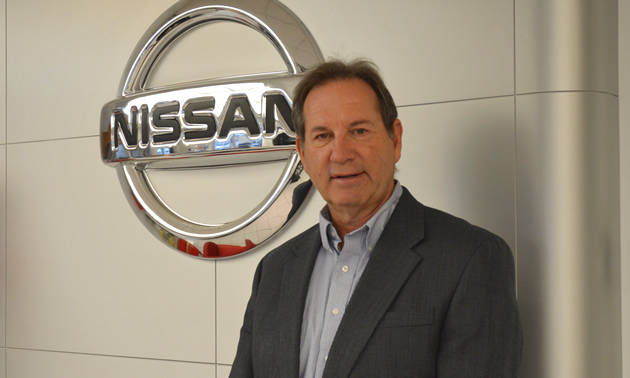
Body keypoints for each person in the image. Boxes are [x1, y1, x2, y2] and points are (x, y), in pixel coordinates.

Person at [230, 59, 522, 377]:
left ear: (394, 139)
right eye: (323, 136)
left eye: (359, 130)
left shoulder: (470, 259)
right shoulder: (274, 270)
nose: (341, 153)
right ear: (302, 152)